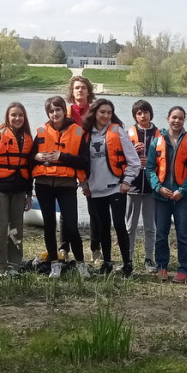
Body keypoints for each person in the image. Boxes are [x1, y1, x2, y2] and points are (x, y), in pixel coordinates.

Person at [81, 97, 141, 277]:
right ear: (94, 113)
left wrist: (127, 181)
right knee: (102, 226)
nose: (106, 116)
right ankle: (107, 263)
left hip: (116, 187)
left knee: (119, 224)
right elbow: (82, 163)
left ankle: (127, 264)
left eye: (109, 112)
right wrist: (84, 184)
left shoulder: (118, 131)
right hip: (95, 189)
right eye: (102, 112)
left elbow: (134, 161)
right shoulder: (86, 134)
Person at [32, 95, 90, 278]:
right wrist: (36, 157)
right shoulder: (41, 132)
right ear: (47, 114)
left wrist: (62, 157)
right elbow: (29, 157)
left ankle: (80, 263)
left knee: (71, 227)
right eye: (51, 111)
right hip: (43, 184)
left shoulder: (78, 132)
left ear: (64, 111)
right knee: (49, 225)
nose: (55, 114)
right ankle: (55, 263)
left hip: (66, 184)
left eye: (58, 110)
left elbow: (84, 162)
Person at [0, 102, 34, 276]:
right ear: (7, 117)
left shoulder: (27, 138)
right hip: (0, 191)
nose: (17, 118)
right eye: (14, 115)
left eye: (20, 115)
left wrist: (29, 193)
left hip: (19, 191)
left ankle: (13, 265)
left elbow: (30, 169)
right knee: (0, 229)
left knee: (16, 230)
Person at [148, 106, 187, 282]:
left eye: (180, 118)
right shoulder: (157, 141)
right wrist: (158, 187)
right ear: (168, 118)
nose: (177, 121)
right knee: (161, 234)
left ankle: (184, 269)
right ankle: (162, 266)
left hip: (182, 196)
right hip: (161, 195)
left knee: (183, 234)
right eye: (174, 117)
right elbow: (150, 168)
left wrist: (182, 191)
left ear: (184, 120)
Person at [125, 99, 159, 272]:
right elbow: (120, 157)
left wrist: (152, 161)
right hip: (133, 186)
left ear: (150, 114)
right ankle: (128, 259)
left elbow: (165, 159)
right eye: (139, 113)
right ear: (135, 116)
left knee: (150, 226)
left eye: (146, 112)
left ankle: (149, 259)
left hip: (152, 187)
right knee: (130, 226)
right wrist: (133, 151)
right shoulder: (128, 134)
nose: (143, 116)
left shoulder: (159, 134)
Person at [66, 74, 97, 260]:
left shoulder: (95, 111)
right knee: (67, 207)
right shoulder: (66, 112)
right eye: (77, 88)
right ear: (72, 92)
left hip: (91, 161)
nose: (80, 90)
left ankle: (95, 247)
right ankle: (64, 247)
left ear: (88, 91)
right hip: (70, 160)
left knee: (94, 206)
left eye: (83, 88)